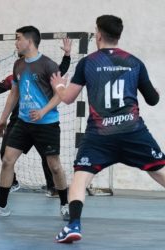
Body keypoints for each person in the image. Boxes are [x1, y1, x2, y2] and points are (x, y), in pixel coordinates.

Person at [51, 15, 165, 243]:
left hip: (99, 136)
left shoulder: (88, 62)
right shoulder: (135, 62)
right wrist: (153, 89)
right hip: (133, 132)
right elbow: (153, 100)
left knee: (80, 180)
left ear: (99, 35)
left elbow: (68, 98)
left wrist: (59, 85)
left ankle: (73, 225)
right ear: (118, 36)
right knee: (158, 171)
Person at [0, 26, 69, 220]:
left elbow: (61, 94)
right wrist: (2, 118)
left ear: (29, 41)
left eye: (18, 38)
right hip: (24, 123)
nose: (16, 42)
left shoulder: (48, 65)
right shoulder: (18, 65)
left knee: (54, 166)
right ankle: (1, 206)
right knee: (7, 160)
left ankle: (65, 204)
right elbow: (14, 93)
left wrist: (43, 111)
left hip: (47, 124)